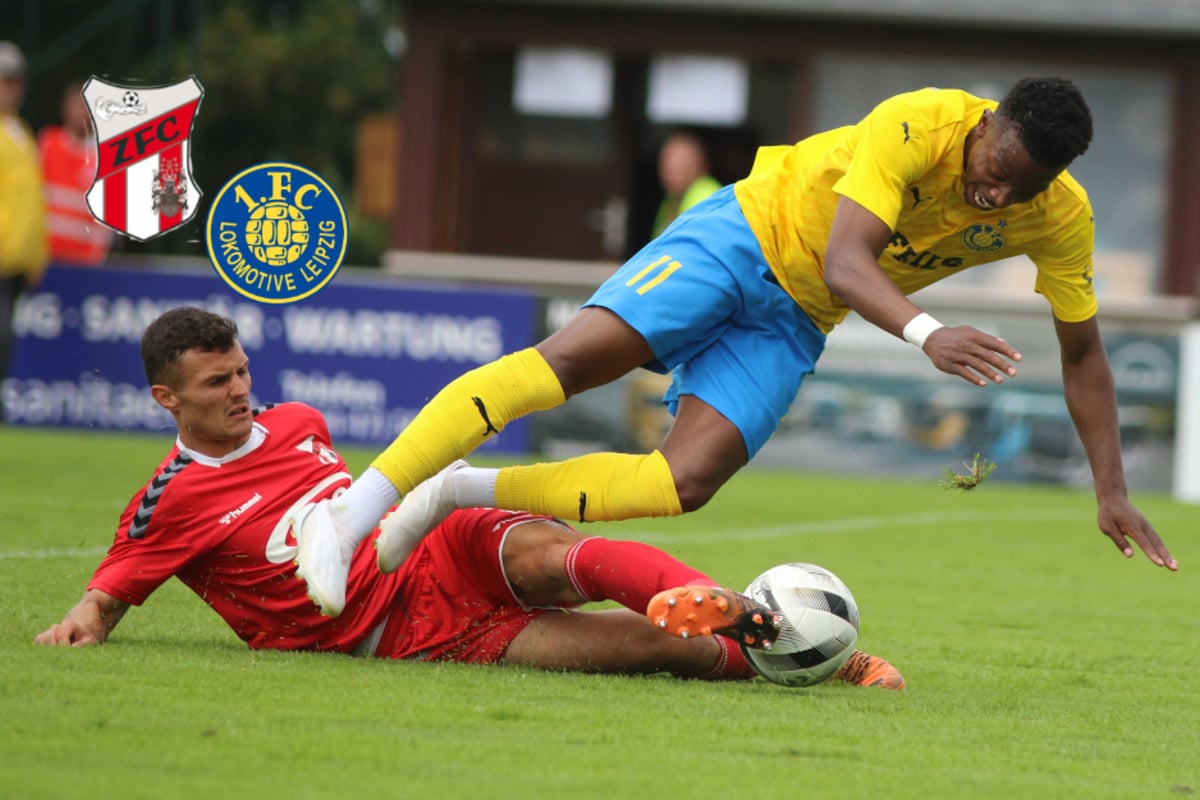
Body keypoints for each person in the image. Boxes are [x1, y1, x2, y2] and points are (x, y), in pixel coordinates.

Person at [292, 76, 1177, 621]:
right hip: (745, 237)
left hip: (798, 316)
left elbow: (1084, 356)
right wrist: (929, 333)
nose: (993, 195)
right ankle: (351, 513)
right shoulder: (919, 123)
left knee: (686, 482)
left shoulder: (1059, 217)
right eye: (992, 170)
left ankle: (456, 490)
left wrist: (1110, 488)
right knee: (568, 364)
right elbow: (847, 255)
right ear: (986, 126)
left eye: (1016, 191)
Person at [34, 306, 904, 690]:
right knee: (654, 651)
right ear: (166, 399)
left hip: (431, 547)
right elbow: (109, 593)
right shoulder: (170, 500)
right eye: (217, 382)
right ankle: (796, 659)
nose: (240, 391)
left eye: (242, 371)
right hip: (405, 635)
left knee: (552, 554)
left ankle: (744, 609)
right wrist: (82, 623)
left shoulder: (297, 420)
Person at [0, 41, 48, 420]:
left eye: (14, 80)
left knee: (5, 341)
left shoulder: (21, 131)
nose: (10, 88)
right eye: (4, 80)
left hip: (16, 262)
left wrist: (35, 255)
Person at [38, 81, 112, 266]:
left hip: (83, 263)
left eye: (86, 106)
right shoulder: (48, 143)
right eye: (76, 105)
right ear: (65, 109)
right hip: (43, 257)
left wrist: (96, 257)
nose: (81, 112)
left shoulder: (105, 157)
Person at [649, 128, 722, 239]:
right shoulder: (670, 200)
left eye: (680, 160)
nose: (670, 167)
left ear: (699, 164)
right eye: (666, 160)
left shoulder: (706, 195)